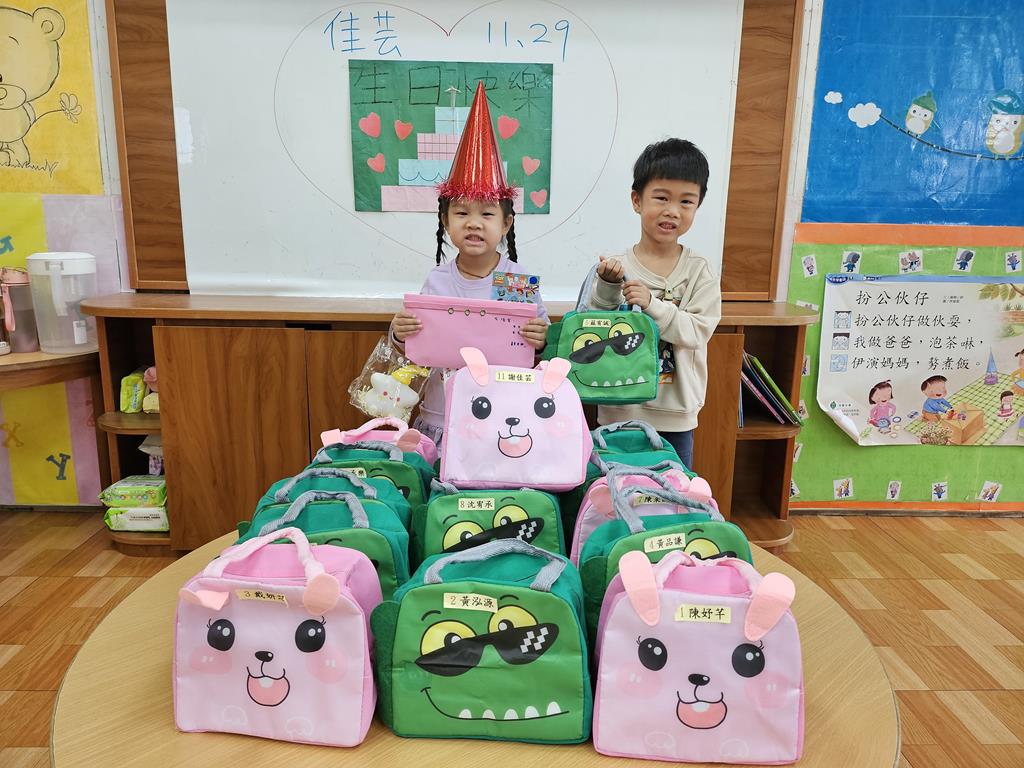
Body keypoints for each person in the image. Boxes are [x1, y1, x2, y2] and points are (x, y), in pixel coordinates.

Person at [389, 82, 548, 445]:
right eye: (461, 213)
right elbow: (414, 349)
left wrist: (540, 340)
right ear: (446, 222)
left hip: (503, 414)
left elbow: (538, 347)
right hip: (443, 414)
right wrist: (400, 333)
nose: (474, 223)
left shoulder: (518, 281)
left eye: (487, 214)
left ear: (506, 224)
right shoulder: (437, 280)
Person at [587, 138, 722, 469]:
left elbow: (698, 331)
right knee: (613, 488)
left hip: (675, 415)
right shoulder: (617, 266)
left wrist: (653, 305)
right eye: (661, 197)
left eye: (686, 201)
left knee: (674, 491)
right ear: (637, 200)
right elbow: (594, 332)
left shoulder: (699, 270)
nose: (672, 210)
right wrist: (607, 288)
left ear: (697, 206)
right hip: (618, 410)